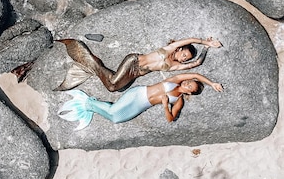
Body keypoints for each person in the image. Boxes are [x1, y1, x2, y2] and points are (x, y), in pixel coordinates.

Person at [57, 72, 223, 130]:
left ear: (190, 93)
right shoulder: (175, 80)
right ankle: (88, 103)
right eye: (189, 82)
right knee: (114, 110)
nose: (187, 84)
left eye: (190, 87)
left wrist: (166, 106)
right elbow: (195, 75)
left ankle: (91, 106)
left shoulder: (178, 101)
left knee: (116, 118)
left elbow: (170, 119)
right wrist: (211, 83)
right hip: (138, 94)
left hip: (142, 105)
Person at [54, 36, 222, 92]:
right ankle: (89, 58)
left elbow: (196, 64)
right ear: (179, 49)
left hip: (136, 73)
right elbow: (189, 40)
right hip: (133, 62)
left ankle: (94, 64)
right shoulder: (169, 49)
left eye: (186, 58)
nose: (184, 58)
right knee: (112, 84)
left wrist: (206, 49)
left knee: (114, 87)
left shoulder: (174, 66)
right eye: (184, 54)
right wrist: (203, 41)